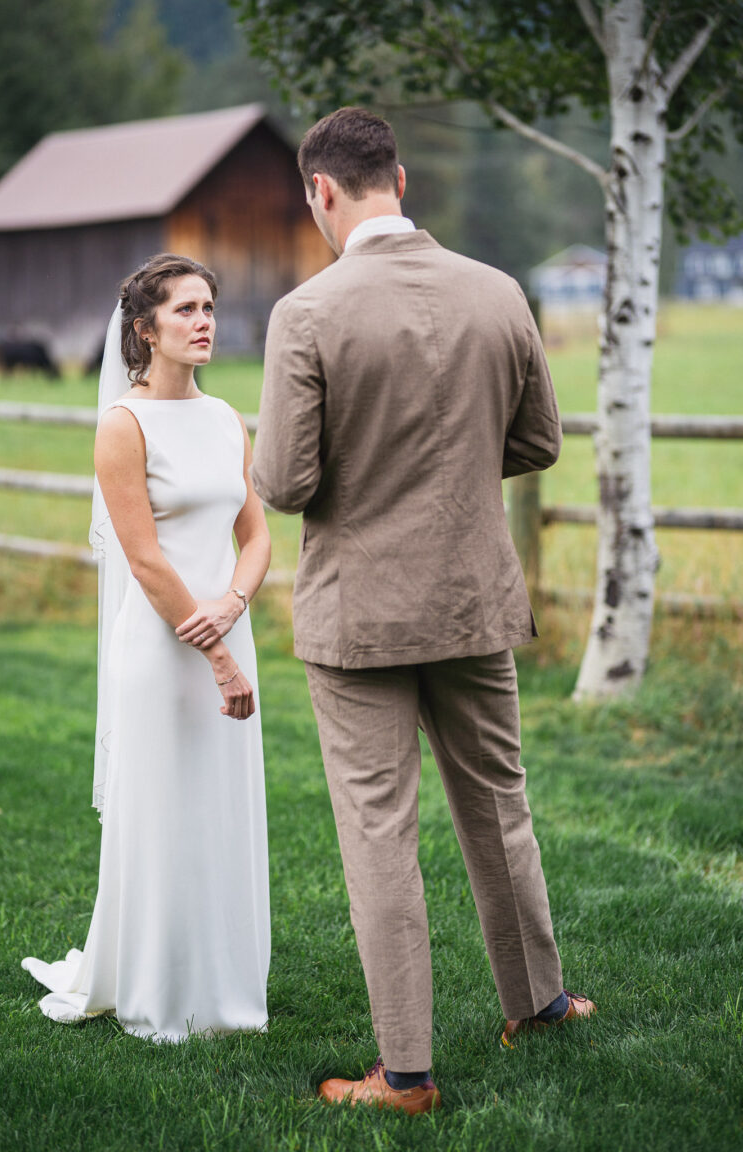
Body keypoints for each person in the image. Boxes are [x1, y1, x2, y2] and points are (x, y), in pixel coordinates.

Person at [251, 108, 595, 1113]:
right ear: (399, 180)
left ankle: (405, 1074)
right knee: (499, 805)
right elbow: (539, 441)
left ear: (321, 191)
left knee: (379, 833)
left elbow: (284, 483)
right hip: (473, 599)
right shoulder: (498, 290)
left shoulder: (306, 314)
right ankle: (539, 1005)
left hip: (358, 614)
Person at [22, 253, 271, 1041]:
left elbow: (258, 534)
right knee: (165, 817)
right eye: (185, 310)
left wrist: (233, 606)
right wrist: (216, 655)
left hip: (226, 628)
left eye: (209, 307)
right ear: (145, 330)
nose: (204, 322)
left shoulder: (226, 418)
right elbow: (146, 559)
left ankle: (226, 984)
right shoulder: (122, 426)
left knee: (221, 811)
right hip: (163, 650)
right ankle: (159, 993)